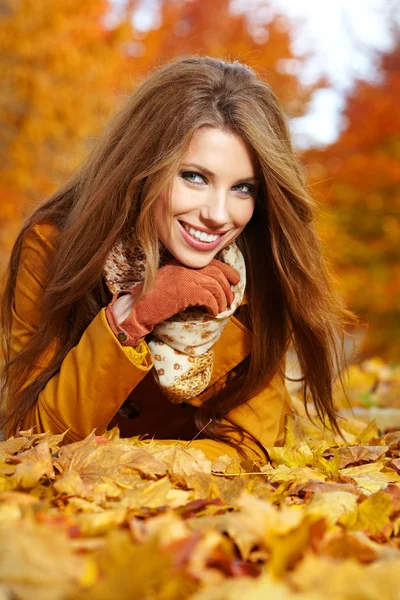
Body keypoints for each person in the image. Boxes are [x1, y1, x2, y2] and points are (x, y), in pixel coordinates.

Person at [0, 55, 360, 462]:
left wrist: (123, 463)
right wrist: (130, 316)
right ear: (142, 167)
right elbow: (27, 438)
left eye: (243, 188)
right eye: (194, 177)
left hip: (194, 516)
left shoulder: (260, 266)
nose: (219, 215)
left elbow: (246, 449)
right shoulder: (53, 247)